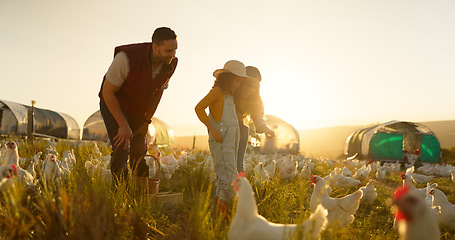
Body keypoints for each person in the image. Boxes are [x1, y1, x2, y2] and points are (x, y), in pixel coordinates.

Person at [98, 27, 178, 182]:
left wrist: (146, 121)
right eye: (169, 50)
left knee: (140, 149)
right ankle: (121, 193)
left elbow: (158, 92)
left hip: (138, 109)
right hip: (114, 104)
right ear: (155, 47)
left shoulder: (171, 63)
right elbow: (108, 93)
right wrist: (122, 124)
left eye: (175, 49)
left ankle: (142, 191)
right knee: (122, 148)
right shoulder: (126, 59)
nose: (173, 55)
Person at [195, 60, 249, 217]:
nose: (239, 85)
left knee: (225, 177)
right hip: (221, 140)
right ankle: (228, 215)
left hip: (230, 142)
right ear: (228, 78)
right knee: (228, 176)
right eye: (237, 81)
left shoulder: (229, 96)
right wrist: (212, 129)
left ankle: (221, 214)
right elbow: (199, 108)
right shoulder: (217, 92)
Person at [233, 66, 275, 172]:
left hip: (242, 129)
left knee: (239, 162)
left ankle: (238, 186)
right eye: (249, 85)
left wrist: (265, 128)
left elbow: (258, 117)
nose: (251, 90)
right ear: (241, 81)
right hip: (224, 129)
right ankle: (222, 186)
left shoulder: (254, 101)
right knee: (225, 160)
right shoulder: (228, 96)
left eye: (255, 87)